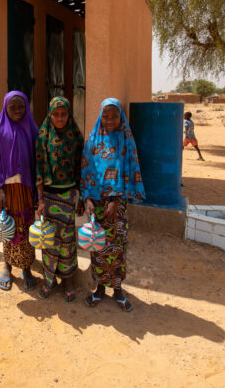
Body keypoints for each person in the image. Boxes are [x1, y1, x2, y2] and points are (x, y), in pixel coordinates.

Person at [81, 98, 145, 312]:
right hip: (97, 206)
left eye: (114, 116)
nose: (109, 120)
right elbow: (87, 170)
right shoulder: (93, 140)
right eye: (105, 116)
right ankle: (100, 288)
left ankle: (118, 289)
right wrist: (88, 199)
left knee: (117, 249)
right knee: (98, 247)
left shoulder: (126, 140)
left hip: (117, 207)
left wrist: (116, 200)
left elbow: (131, 170)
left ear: (121, 117)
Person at [34, 96, 84, 302]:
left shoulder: (76, 137)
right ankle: (49, 279)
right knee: (49, 240)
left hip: (69, 195)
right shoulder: (43, 136)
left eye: (64, 114)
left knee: (67, 240)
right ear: (50, 114)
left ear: (68, 114)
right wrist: (41, 199)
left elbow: (82, 169)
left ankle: (68, 281)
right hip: (49, 195)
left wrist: (80, 197)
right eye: (56, 114)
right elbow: (38, 169)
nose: (60, 118)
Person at [0, 91, 38, 292]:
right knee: (8, 227)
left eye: (21, 107)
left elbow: (37, 160)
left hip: (27, 189)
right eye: (13, 107)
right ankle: (7, 266)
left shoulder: (32, 130)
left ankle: (26, 268)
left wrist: (38, 191)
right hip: (8, 190)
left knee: (26, 227)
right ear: (5, 108)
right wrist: (0, 190)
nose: (17, 111)